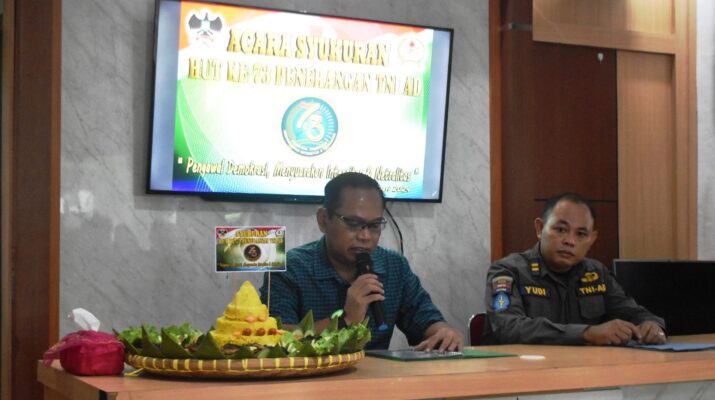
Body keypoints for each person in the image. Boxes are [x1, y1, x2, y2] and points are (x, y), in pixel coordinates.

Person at [260, 172, 463, 351]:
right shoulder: (291, 268)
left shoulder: (394, 266)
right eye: (353, 223)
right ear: (323, 220)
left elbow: (426, 321)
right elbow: (275, 339)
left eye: (374, 225)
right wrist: (346, 319)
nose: (365, 236)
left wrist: (444, 332)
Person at [484, 192, 666, 345]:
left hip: (584, 371)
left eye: (581, 234)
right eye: (561, 230)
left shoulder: (596, 273)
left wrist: (651, 325)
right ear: (539, 228)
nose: (570, 241)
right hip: (523, 370)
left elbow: (632, 312)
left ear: (591, 240)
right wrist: (586, 333)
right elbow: (508, 327)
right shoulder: (507, 271)